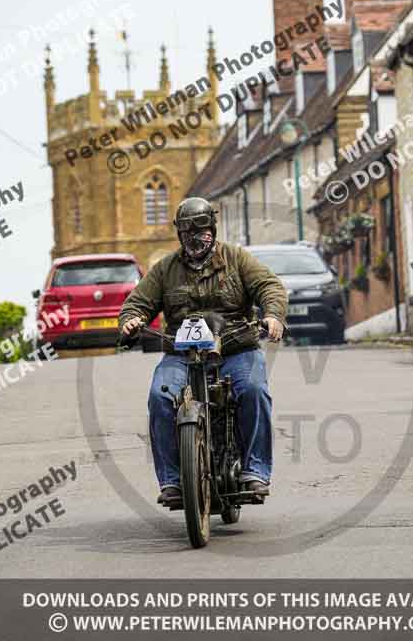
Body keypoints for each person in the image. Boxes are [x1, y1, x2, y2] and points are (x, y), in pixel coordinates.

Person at [119, 197, 288, 506]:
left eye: (201, 230)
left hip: (236, 348)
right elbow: (137, 302)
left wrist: (273, 316)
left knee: (253, 390)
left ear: (212, 228)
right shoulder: (165, 269)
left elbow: (269, 286)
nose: (195, 237)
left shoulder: (237, 259)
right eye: (187, 232)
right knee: (160, 396)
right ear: (179, 234)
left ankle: (256, 471)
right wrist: (132, 320)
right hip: (181, 355)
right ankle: (172, 481)